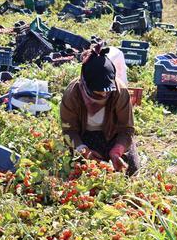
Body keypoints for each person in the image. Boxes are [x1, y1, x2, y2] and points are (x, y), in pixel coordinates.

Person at [60, 43, 140, 176]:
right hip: (84, 136)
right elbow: (69, 131)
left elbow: (126, 129)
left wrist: (117, 150)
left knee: (130, 169)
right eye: (97, 93)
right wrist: (84, 150)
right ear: (84, 84)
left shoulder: (120, 92)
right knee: (79, 170)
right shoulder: (72, 94)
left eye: (106, 92)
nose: (103, 96)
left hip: (112, 134)